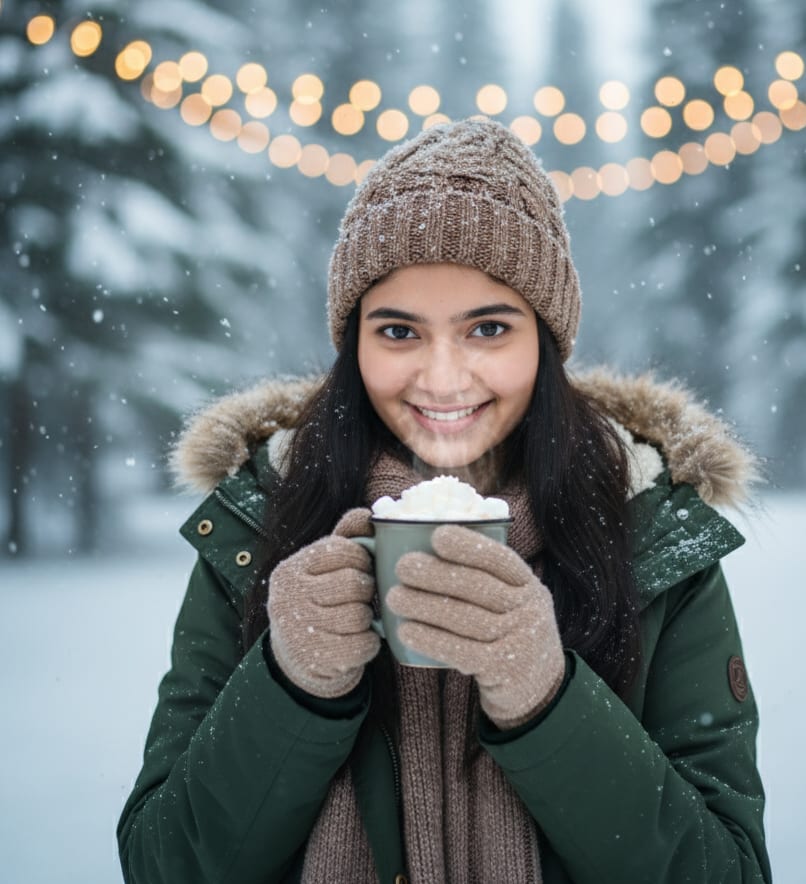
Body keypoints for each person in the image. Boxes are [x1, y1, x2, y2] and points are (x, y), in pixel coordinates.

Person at [117, 119, 771, 884]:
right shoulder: (258, 525)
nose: (443, 379)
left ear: (546, 342)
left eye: (488, 328)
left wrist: (546, 698)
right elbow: (164, 865)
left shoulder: (651, 538)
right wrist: (291, 682)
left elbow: (726, 870)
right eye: (398, 331)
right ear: (352, 344)